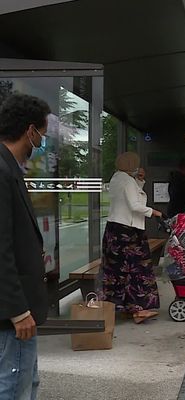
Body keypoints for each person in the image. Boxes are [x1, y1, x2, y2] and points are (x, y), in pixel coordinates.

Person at [0, 93, 51, 399]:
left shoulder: (8, 168)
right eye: (41, 136)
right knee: (13, 386)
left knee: (26, 382)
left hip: (16, 306)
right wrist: (18, 311)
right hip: (12, 311)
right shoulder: (2, 172)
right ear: (30, 131)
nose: (40, 143)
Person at [101, 152, 162, 324]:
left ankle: (122, 307)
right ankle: (138, 310)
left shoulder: (116, 178)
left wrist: (140, 181)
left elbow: (130, 197)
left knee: (117, 272)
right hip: (127, 232)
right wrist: (154, 212)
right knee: (137, 269)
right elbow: (135, 205)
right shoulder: (127, 180)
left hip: (114, 231)